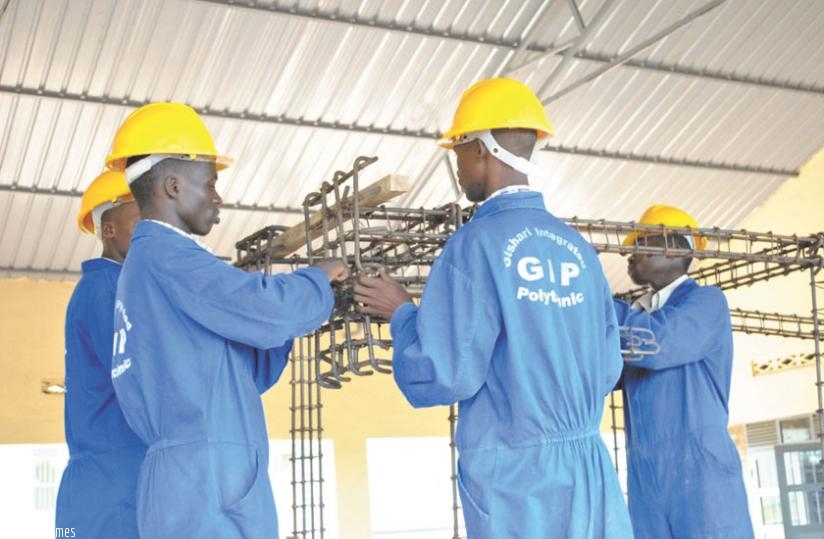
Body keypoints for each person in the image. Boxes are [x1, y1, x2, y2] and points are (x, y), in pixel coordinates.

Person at [353, 78, 632, 538]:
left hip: (518, 485)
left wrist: (403, 315)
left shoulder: (473, 247)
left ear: (480, 150)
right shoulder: (577, 250)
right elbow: (606, 368)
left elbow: (446, 372)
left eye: (458, 150)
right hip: (588, 472)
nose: (458, 166)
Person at [105, 102, 349, 538]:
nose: (218, 198)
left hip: (192, 476)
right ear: (174, 186)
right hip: (207, 479)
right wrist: (318, 279)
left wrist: (273, 320)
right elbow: (267, 311)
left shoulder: (145, 267)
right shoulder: (168, 255)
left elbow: (244, 368)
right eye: (211, 184)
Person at [614, 204, 754, 538]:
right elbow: (606, 374)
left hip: (700, 471)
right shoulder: (636, 315)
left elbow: (657, 344)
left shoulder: (706, 303)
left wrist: (603, 308)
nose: (629, 254)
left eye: (641, 242)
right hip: (646, 474)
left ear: (675, 248)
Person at [56, 170, 144, 537]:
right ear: (108, 230)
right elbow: (144, 375)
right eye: (140, 221)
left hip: (104, 484)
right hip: (113, 487)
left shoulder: (108, 288)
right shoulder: (106, 290)